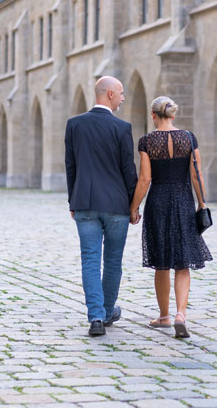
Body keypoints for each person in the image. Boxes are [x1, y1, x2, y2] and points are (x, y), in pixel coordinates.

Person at [129, 96, 212, 338]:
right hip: (183, 201)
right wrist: (202, 203)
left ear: (153, 116)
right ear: (173, 115)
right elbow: (196, 174)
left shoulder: (147, 141)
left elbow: (145, 180)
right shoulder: (188, 138)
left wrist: (134, 208)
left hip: (158, 202)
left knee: (162, 260)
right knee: (183, 261)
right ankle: (180, 314)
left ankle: (164, 315)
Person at [65, 76, 138, 337]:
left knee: (90, 260)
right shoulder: (122, 128)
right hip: (117, 205)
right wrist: (133, 205)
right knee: (113, 260)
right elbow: (128, 171)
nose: (123, 98)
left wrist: (73, 200)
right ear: (109, 94)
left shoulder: (74, 125)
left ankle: (96, 316)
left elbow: (70, 166)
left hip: (84, 202)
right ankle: (107, 312)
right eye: (120, 93)